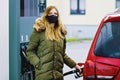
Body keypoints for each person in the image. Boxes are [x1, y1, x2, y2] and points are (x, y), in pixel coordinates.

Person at [26, 5, 81, 80]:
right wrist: (38, 64)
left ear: (58, 16)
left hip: (58, 75)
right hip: (43, 75)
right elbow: (30, 51)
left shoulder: (61, 33)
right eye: (50, 13)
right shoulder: (39, 31)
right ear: (46, 15)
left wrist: (75, 65)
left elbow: (62, 54)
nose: (53, 15)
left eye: (55, 14)